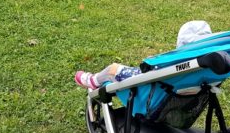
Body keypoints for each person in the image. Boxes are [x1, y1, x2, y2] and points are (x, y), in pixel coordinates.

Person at [74, 21, 213, 89]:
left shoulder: (180, 62)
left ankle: (92, 81)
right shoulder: (208, 67)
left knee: (113, 69)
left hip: (153, 86)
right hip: (178, 90)